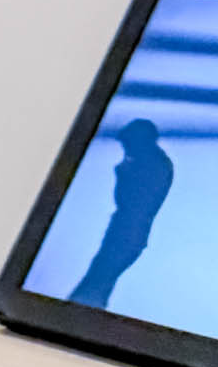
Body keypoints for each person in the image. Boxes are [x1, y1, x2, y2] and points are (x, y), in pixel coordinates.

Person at [69, 118, 174, 310]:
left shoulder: (152, 166)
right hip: (126, 233)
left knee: (95, 284)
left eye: (128, 145)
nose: (125, 149)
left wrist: (123, 172)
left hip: (126, 235)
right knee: (97, 283)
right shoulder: (154, 163)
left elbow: (128, 200)